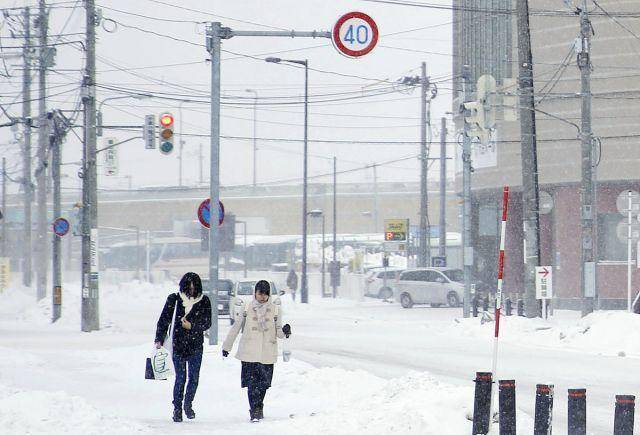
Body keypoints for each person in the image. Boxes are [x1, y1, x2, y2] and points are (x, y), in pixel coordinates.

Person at [222, 280, 291, 422]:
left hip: (267, 352)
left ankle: (259, 405)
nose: (263, 297)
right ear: (255, 293)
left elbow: (278, 331)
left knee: (264, 384)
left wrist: (285, 332)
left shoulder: (275, 309)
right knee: (252, 384)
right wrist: (226, 347)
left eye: (266, 294)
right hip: (249, 352)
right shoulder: (247, 307)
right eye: (260, 293)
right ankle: (254, 410)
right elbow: (236, 327)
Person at [155, 272, 211, 422]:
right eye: (189, 288)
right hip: (178, 345)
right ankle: (177, 408)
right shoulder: (174, 299)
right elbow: (163, 320)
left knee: (194, 378)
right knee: (180, 378)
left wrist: (192, 326)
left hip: (196, 346)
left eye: (194, 288)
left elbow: (207, 322)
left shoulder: (204, 301)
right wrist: (159, 339)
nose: (192, 291)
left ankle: (188, 404)